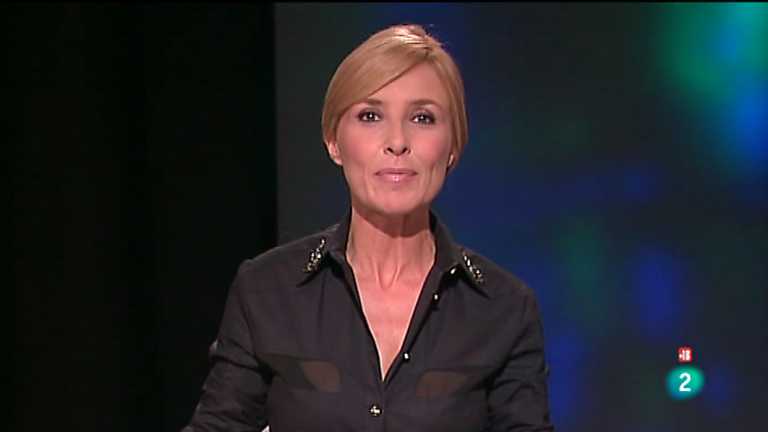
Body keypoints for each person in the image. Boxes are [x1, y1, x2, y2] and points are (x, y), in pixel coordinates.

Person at [183, 24, 554, 432]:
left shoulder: (504, 308)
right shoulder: (266, 290)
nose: (397, 141)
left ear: (453, 146)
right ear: (334, 141)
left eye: (422, 117)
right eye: (370, 116)